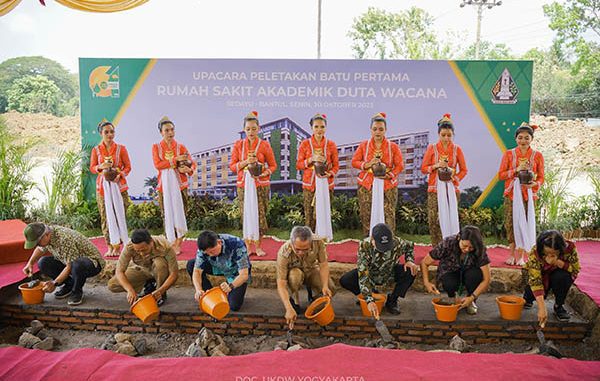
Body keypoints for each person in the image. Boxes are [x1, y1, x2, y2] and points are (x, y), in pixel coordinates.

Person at [339, 223, 417, 317]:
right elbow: (363, 274)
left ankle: (392, 301)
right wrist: (369, 300)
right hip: (370, 275)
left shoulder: (397, 242)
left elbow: (410, 246)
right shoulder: (364, 246)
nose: (384, 250)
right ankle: (370, 294)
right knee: (345, 280)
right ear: (372, 239)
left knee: (411, 271)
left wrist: (409, 260)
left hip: (390, 273)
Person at [229, 111, 277, 257]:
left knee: (260, 215)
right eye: (248, 129)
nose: (251, 132)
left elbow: (273, 165)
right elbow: (232, 167)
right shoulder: (238, 145)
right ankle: (249, 247)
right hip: (243, 185)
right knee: (246, 215)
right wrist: (246, 162)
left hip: (261, 185)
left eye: (254, 129)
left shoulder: (264, 145)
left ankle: (259, 246)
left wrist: (264, 172)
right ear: (244, 130)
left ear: (259, 129)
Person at [22, 223, 105, 306]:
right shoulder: (47, 236)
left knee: (77, 265)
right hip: (70, 262)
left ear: (46, 234)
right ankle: (69, 285)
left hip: (93, 263)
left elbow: (69, 266)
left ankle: (77, 291)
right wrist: (30, 263)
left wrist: (54, 283)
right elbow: (40, 249)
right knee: (43, 262)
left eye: (37, 242)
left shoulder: (64, 239)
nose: (37, 245)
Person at [498, 122, 545, 266]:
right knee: (511, 224)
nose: (523, 141)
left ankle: (522, 256)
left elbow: (542, 177)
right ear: (515, 138)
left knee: (526, 223)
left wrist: (535, 184)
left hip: (529, 195)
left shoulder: (537, 156)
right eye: (520, 138)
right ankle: (512, 254)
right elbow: (501, 175)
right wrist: (516, 170)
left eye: (526, 138)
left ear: (531, 139)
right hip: (512, 194)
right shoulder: (509, 154)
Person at [352, 112, 404, 237]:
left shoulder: (393, 147)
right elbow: (354, 162)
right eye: (375, 129)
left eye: (381, 129)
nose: (378, 132)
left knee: (389, 214)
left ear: (385, 130)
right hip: (366, 184)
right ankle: (368, 243)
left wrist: (390, 174)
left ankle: (388, 244)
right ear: (371, 130)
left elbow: (400, 165)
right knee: (366, 214)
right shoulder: (364, 146)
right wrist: (368, 164)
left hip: (388, 185)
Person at [420, 225, 491, 315]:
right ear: (458, 238)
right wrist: (427, 283)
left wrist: (472, 297)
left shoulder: (479, 249)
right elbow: (424, 262)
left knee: (475, 275)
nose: (467, 250)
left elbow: (487, 279)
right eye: (464, 246)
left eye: (471, 248)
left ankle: (470, 301)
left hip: (469, 271)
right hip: (450, 271)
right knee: (449, 283)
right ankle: (452, 298)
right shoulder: (447, 243)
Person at [421, 113, 468, 247]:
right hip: (434, 190)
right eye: (443, 135)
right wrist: (436, 166)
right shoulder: (432, 148)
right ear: (438, 134)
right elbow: (424, 168)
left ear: (453, 134)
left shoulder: (457, 149)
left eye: (449, 135)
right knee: (434, 220)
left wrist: (455, 177)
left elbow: (464, 170)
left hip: (451, 190)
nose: (446, 138)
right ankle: (437, 247)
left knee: (451, 218)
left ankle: (452, 247)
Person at [152, 116, 197, 255]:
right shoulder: (156, 147)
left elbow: (192, 163)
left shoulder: (181, 147)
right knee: (167, 213)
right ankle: (170, 241)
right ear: (161, 132)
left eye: (172, 130)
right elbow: (158, 165)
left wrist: (189, 170)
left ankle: (178, 243)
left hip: (180, 185)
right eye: (166, 130)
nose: (170, 133)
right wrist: (175, 160)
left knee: (181, 212)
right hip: (164, 187)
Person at [276, 226, 335, 328]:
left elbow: (323, 264)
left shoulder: (318, 242)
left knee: (331, 288)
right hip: (294, 274)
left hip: (311, 270)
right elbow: (281, 283)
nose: (301, 253)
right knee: (295, 276)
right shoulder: (284, 252)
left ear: (311, 243)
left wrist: (325, 286)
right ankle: (294, 299)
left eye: (305, 249)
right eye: (297, 249)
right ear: (292, 242)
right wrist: (288, 308)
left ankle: (314, 300)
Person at [89, 118, 132, 257]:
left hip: (119, 186)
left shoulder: (121, 148)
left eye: (112, 132)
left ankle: (121, 244)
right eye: (106, 132)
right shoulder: (96, 150)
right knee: (106, 215)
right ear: (101, 133)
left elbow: (128, 167)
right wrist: (100, 167)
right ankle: (110, 246)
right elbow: (92, 167)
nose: (110, 135)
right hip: (103, 188)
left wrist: (120, 174)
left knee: (120, 213)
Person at [296, 113, 339, 241]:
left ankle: (324, 237)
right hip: (309, 184)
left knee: (325, 211)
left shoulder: (331, 144)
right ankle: (309, 240)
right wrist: (311, 159)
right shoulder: (305, 144)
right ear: (311, 128)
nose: (319, 130)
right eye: (316, 127)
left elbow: (336, 166)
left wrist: (330, 173)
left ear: (326, 128)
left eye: (322, 126)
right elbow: (298, 164)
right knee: (309, 213)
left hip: (326, 183)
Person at [107, 229, 178, 306]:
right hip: (142, 269)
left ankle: (159, 293)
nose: (141, 253)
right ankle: (146, 286)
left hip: (159, 270)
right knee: (113, 285)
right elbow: (119, 271)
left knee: (159, 264)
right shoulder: (129, 247)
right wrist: (130, 290)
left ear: (151, 242)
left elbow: (174, 274)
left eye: (144, 250)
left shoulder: (165, 245)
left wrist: (161, 290)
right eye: (138, 251)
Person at [523, 230, 580, 325]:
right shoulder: (535, 251)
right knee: (532, 288)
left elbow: (575, 270)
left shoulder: (569, 249)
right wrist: (542, 308)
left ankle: (559, 305)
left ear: (561, 250)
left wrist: (559, 263)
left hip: (557, 275)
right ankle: (528, 298)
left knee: (562, 277)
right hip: (540, 276)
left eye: (554, 253)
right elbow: (535, 279)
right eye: (546, 253)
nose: (549, 256)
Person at [186, 230, 251, 311]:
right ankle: (208, 294)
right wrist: (198, 290)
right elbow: (197, 272)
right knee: (191, 264)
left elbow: (244, 274)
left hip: (235, 271)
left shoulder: (237, 244)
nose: (210, 255)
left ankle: (231, 292)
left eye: (212, 251)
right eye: (207, 253)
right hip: (216, 267)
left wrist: (230, 286)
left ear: (219, 242)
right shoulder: (203, 249)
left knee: (233, 306)